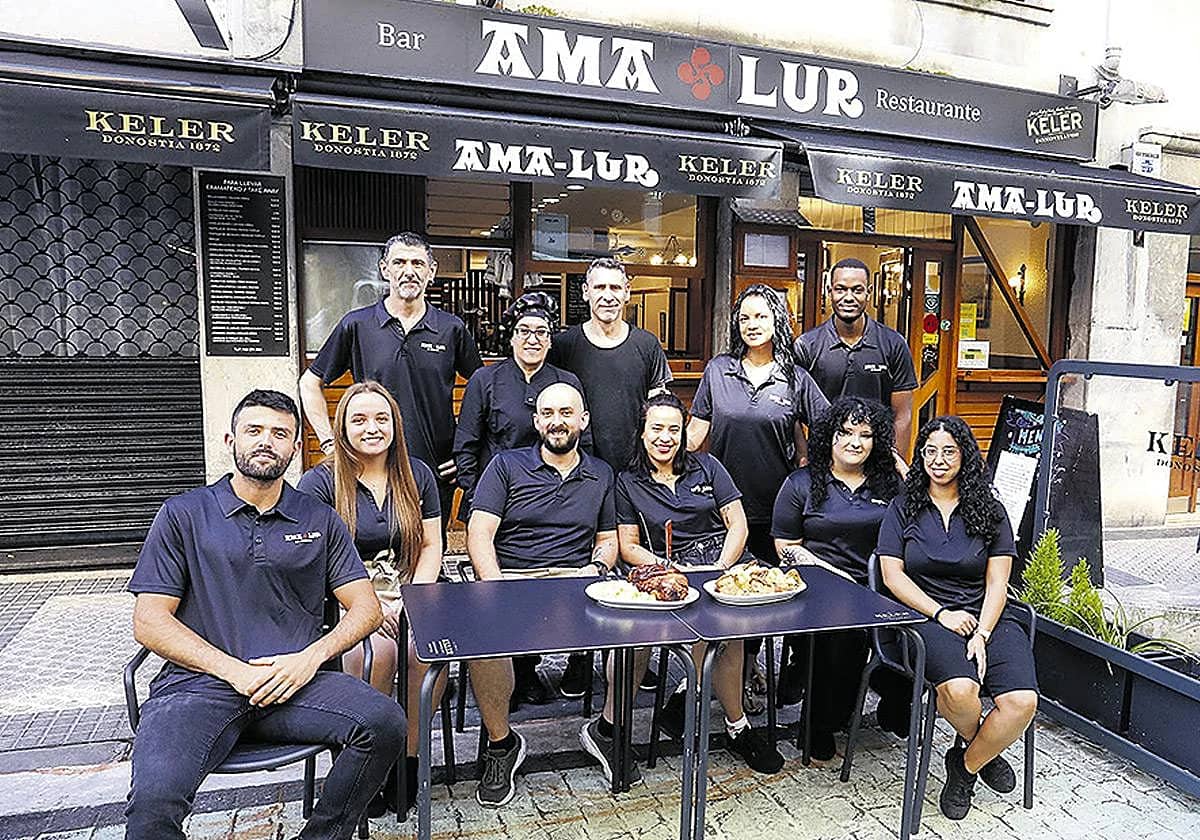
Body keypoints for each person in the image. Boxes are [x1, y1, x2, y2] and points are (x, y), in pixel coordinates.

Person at [125, 390, 403, 840]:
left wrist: (309, 659)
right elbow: (150, 621)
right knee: (152, 806)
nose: (265, 441)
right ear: (230, 439)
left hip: (296, 684)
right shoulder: (183, 514)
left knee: (384, 723)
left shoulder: (319, 518)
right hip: (198, 687)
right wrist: (233, 671)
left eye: (279, 433)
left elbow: (366, 608)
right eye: (254, 430)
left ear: (295, 448)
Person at [579, 392, 784, 783]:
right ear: (642, 432)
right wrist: (670, 569)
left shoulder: (708, 466)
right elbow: (628, 546)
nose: (665, 438)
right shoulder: (627, 482)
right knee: (713, 628)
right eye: (656, 428)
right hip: (669, 566)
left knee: (733, 628)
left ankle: (729, 721)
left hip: (722, 560)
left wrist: (720, 568)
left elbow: (737, 524)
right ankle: (699, 701)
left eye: (674, 429)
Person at [464, 382, 618, 807]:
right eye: (548, 413)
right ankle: (501, 744)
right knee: (482, 637)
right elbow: (479, 534)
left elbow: (607, 540)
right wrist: (494, 585)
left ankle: (607, 730)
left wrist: (597, 569)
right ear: (536, 421)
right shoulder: (505, 466)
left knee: (636, 634)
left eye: (566, 413)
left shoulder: (602, 473)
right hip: (513, 578)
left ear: (583, 420)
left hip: (576, 581)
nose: (557, 421)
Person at [877, 415, 1038, 821]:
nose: (939, 460)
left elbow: (998, 581)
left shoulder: (990, 510)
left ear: (965, 455)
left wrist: (982, 632)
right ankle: (986, 750)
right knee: (961, 691)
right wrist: (941, 613)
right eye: (930, 451)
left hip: (989, 617)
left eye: (949, 451)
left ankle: (965, 765)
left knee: (1022, 702)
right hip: (925, 619)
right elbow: (891, 575)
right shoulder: (903, 507)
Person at [296, 380, 442, 813]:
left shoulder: (418, 474)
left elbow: (432, 544)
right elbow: (313, 561)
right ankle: (362, 763)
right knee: (374, 654)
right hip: (348, 599)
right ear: (341, 427)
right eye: (359, 419)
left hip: (411, 588)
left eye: (381, 418)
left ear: (395, 424)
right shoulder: (319, 482)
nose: (372, 428)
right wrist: (368, 608)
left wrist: (414, 599)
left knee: (426, 652)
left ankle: (409, 759)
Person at [688, 284, 829, 706]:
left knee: (762, 596)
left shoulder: (796, 378)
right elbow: (695, 433)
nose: (752, 324)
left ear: (777, 321)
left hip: (775, 510)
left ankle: (750, 672)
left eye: (762, 316)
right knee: (725, 595)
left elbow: (828, 428)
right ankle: (717, 678)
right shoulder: (718, 370)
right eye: (745, 317)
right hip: (724, 509)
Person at [453, 291, 591, 707]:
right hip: (499, 502)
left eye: (542, 332)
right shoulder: (485, 381)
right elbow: (467, 445)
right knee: (505, 585)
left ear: (551, 339)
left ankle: (541, 663)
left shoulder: (565, 383)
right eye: (524, 331)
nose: (533, 339)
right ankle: (515, 671)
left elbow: (582, 445)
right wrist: (479, 500)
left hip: (555, 499)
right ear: (511, 336)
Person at [299, 231, 483, 537]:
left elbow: (483, 390)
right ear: (385, 269)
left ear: (431, 271)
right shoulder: (357, 325)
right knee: (368, 550)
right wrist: (329, 443)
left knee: (429, 551)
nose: (408, 271)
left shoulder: (451, 329)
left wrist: (466, 453)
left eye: (417, 263)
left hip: (434, 470)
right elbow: (309, 383)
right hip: (369, 469)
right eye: (399, 262)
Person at [548, 256, 670, 696]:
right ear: (585, 293)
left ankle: (635, 651)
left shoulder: (646, 345)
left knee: (633, 561)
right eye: (599, 288)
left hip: (634, 472)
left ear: (627, 293)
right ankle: (581, 656)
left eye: (615, 288)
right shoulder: (565, 345)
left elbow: (660, 406)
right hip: (581, 472)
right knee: (589, 558)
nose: (607, 296)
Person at [771, 396, 905, 760]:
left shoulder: (889, 485)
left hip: (881, 586)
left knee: (919, 630)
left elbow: (919, 519)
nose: (854, 442)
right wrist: (834, 576)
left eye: (865, 435)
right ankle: (821, 724)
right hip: (818, 587)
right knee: (842, 636)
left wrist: (903, 470)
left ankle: (892, 695)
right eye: (845, 433)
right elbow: (785, 546)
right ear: (829, 436)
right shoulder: (801, 483)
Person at [794, 257, 917, 457]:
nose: (848, 297)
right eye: (841, 289)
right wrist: (803, 457)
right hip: (825, 457)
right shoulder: (806, 346)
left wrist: (896, 464)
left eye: (857, 290)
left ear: (869, 292)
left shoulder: (893, 344)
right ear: (829, 291)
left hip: (875, 457)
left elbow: (902, 415)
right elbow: (793, 413)